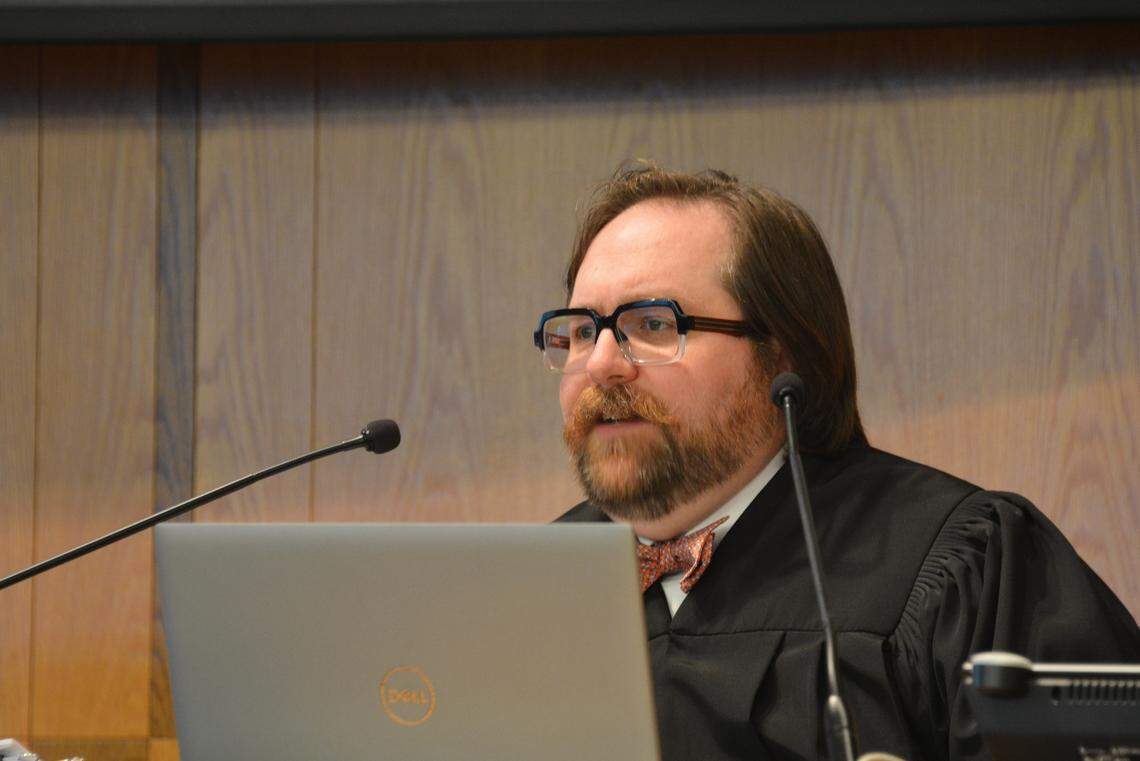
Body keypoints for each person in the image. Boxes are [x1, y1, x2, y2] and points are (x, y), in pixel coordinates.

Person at [536, 165, 1140, 761]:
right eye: (582, 332)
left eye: (653, 324)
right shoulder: (528, 594)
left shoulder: (966, 566)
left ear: (782, 356)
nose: (601, 364)